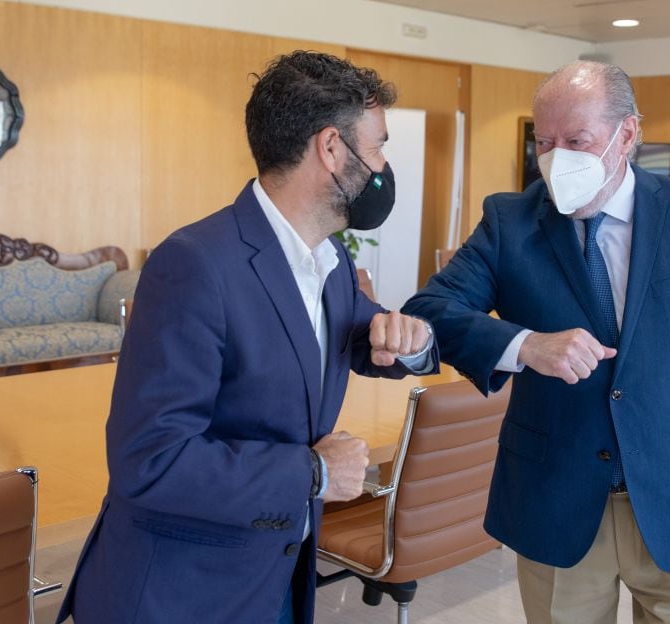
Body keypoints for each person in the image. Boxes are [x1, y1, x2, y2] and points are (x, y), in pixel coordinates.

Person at [58, 51, 438, 624]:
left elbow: (364, 336)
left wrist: (410, 343)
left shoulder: (327, 255)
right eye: (379, 145)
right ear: (332, 149)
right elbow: (150, 459)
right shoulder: (194, 265)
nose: (383, 166)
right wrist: (312, 475)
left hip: (273, 572)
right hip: (184, 592)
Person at [403, 61, 670, 624]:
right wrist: (525, 345)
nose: (557, 159)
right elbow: (429, 311)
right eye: (545, 142)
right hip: (557, 499)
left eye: (577, 141)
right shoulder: (510, 221)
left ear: (627, 134)